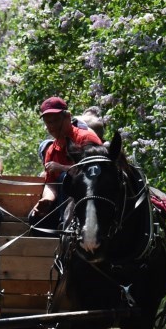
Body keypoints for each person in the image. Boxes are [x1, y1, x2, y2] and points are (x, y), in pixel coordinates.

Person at [29, 96, 102, 231]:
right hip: (65, 202)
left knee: (65, 177)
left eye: (55, 121)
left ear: (68, 117)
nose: (52, 127)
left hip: (90, 200)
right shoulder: (52, 149)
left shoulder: (85, 138)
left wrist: (62, 168)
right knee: (36, 220)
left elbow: (95, 172)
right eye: (48, 122)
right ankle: (57, 248)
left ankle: (67, 229)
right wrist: (48, 199)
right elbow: (50, 182)